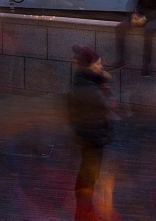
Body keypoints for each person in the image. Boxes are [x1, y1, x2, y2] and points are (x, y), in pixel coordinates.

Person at [67, 45, 113, 221]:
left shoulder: (85, 80)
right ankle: (84, 211)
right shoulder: (90, 86)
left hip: (90, 133)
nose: (101, 67)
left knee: (88, 173)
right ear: (89, 66)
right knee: (89, 174)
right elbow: (109, 104)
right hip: (92, 134)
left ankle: (85, 209)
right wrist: (105, 82)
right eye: (98, 63)